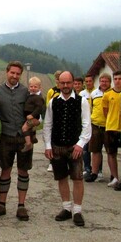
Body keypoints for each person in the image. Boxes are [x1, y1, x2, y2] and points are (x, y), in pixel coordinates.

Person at [43, 71, 91, 227]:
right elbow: (47, 125)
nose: (65, 86)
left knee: (77, 178)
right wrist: (48, 146)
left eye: (68, 83)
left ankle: (77, 211)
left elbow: (86, 125)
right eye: (62, 83)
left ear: (73, 83)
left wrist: (80, 144)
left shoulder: (82, 101)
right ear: (58, 84)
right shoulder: (53, 102)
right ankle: (66, 208)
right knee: (61, 177)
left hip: (74, 147)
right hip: (57, 146)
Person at [0, 61, 32, 221]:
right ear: (7, 72)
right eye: (12, 73)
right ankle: (2, 204)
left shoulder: (26, 92)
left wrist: (31, 123)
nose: (14, 76)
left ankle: (21, 206)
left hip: (23, 137)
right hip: (6, 136)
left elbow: (34, 113)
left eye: (17, 74)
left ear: (20, 75)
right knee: (5, 170)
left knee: (23, 170)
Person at [101, 70, 121, 187]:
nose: (117, 81)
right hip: (111, 127)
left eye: (119, 79)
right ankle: (115, 177)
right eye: (115, 79)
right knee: (111, 154)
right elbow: (105, 112)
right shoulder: (107, 95)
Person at [85, 74, 109, 182]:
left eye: (106, 81)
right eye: (102, 81)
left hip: (109, 126)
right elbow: (90, 108)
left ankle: (113, 175)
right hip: (95, 124)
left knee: (110, 152)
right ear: (99, 82)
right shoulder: (94, 94)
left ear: (109, 82)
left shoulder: (112, 93)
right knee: (95, 150)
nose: (104, 83)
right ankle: (94, 173)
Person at [21, 76, 44, 152]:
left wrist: (32, 115)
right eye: (31, 86)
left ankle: (28, 144)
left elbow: (39, 108)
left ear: (39, 87)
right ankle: (33, 137)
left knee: (24, 128)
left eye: (35, 87)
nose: (33, 88)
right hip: (29, 116)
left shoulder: (38, 97)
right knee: (31, 128)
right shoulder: (30, 95)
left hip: (32, 117)